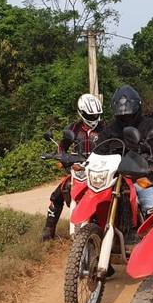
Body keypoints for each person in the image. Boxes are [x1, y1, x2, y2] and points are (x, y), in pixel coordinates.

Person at [95, 85, 153, 218]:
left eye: (129, 116)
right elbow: (98, 152)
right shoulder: (109, 130)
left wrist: (148, 167)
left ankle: (149, 231)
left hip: (140, 177)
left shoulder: (150, 127)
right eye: (122, 117)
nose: (126, 119)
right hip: (113, 178)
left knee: (149, 204)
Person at [41, 93, 105, 241]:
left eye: (96, 114)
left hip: (100, 171)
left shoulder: (105, 128)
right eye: (91, 115)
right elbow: (62, 146)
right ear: (81, 113)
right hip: (79, 170)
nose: (94, 118)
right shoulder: (74, 129)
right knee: (58, 194)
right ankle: (48, 230)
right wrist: (63, 158)